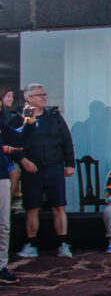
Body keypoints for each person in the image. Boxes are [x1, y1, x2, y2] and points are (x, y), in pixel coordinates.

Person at [17, 84, 75, 259]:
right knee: (32, 207)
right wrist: (22, 159)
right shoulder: (22, 116)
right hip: (32, 169)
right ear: (29, 98)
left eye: (44, 94)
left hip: (54, 166)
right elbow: (11, 141)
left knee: (59, 205)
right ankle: (31, 244)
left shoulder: (54, 117)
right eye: (39, 95)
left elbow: (67, 140)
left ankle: (63, 244)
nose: (44, 97)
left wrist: (70, 164)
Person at [0, 102, 36, 284]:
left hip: (2, 177)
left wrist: (29, 122)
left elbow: (19, 141)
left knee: (4, 225)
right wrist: (4, 149)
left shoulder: (1, 124)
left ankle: (1, 267)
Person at [0, 88, 24, 210]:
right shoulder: (3, 114)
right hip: (4, 153)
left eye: (12, 96)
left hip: (7, 152)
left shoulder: (7, 113)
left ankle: (7, 206)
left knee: (13, 176)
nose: (11, 99)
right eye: (8, 96)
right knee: (13, 175)